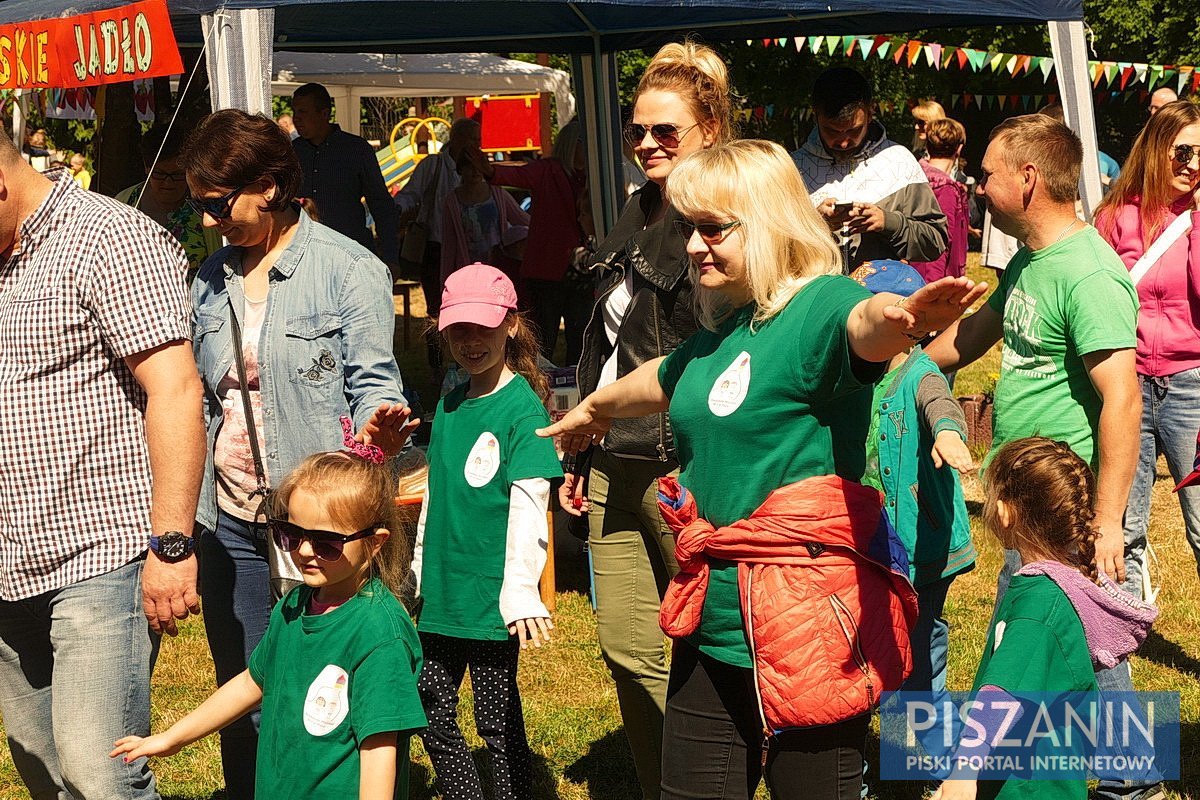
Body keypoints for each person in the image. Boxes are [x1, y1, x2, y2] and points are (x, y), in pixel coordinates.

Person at [543, 139, 985, 799]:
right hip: (711, 623)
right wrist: (595, 410)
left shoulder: (819, 306)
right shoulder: (723, 331)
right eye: (688, 227)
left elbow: (860, 327)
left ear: (769, 223)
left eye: (713, 229)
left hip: (808, 629)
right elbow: (665, 379)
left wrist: (900, 322)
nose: (693, 246)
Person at [182, 109, 417, 799]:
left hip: (315, 522)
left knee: (333, 690)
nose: (206, 222)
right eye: (198, 206)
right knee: (252, 686)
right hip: (230, 518)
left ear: (270, 185)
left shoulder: (349, 270)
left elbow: (376, 382)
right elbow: (199, 399)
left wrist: (380, 430)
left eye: (217, 205)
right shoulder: (209, 280)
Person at [923, 114, 1156, 800]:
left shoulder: (1088, 275)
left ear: (1028, 179)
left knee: (1081, 633)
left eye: (988, 173)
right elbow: (972, 336)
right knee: (1046, 635)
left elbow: (1124, 401)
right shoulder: (1030, 259)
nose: (978, 183)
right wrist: (894, 357)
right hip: (1023, 492)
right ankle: (1034, 769)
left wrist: (1108, 522)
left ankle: (1124, 782)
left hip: (1066, 501)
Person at [0, 129, 205, 798]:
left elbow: (175, 390)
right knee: (42, 766)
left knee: (99, 772)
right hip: (8, 562)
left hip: (98, 552)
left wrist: (172, 544)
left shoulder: (111, 239)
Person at [564, 40, 734, 800]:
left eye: (667, 132)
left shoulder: (723, 221)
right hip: (614, 460)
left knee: (721, 642)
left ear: (711, 129)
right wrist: (579, 442)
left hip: (686, 467)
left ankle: (724, 774)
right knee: (628, 646)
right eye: (638, 131)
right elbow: (606, 348)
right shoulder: (631, 213)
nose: (646, 145)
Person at [111, 450, 428, 799]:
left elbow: (379, 747)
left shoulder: (379, 633)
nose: (305, 551)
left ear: (373, 544)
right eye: (292, 533)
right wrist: (174, 738)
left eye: (327, 543)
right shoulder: (293, 605)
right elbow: (251, 683)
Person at [932, 437, 1157, 800]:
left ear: (1005, 513)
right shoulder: (1063, 585)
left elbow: (1002, 694)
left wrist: (963, 771)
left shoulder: (1039, 606)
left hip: (1024, 787)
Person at [413, 263, 563, 800]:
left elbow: (530, 503)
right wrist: (417, 566)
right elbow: (438, 493)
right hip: (443, 592)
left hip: (491, 596)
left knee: (496, 718)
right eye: (459, 330)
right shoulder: (451, 405)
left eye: (483, 327)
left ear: (512, 325)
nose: (471, 341)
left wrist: (521, 588)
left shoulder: (521, 409)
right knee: (429, 703)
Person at [853, 260, 976, 697]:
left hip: (924, 540)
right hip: (873, 541)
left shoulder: (920, 372)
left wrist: (948, 434)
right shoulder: (855, 377)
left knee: (919, 635)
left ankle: (921, 738)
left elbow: (940, 403)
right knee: (879, 628)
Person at [1095, 99, 1200, 593]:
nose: (1193, 165)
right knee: (1121, 526)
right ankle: (1119, 646)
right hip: (1126, 385)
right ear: (1157, 149)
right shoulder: (1115, 217)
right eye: (1183, 152)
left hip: (1192, 388)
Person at [794, 67, 948, 271]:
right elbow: (768, 246)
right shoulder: (793, 168)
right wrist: (814, 223)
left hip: (879, 298)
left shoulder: (899, 161)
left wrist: (889, 222)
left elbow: (935, 240)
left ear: (870, 112)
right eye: (831, 130)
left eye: (853, 130)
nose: (843, 142)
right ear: (816, 115)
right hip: (814, 297)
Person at [469, 117, 592, 365]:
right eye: (584, 142)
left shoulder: (593, 176)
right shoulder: (549, 169)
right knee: (542, 337)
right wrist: (491, 171)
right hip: (547, 270)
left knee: (580, 338)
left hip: (581, 269)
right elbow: (519, 175)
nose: (589, 148)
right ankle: (540, 385)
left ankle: (579, 386)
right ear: (571, 144)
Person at [395, 118, 481, 369]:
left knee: (468, 305)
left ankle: (464, 361)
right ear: (457, 139)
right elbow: (410, 193)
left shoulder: (479, 167)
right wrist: (398, 209)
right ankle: (436, 364)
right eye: (473, 139)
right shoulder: (433, 165)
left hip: (468, 249)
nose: (478, 145)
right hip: (436, 246)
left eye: (478, 140)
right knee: (436, 307)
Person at [291, 83, 399, 267]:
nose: (296, 119)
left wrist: (391, 258)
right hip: (304, 256)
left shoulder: (356, 150)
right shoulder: (290, 153)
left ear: (324, 114)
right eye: (295, 112)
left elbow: (380, 204)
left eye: (303, 112)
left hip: (350, 254)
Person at [118, 123, 222, 284]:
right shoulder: (124, 201)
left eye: (177, 175)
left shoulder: (203, 207)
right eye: (159, 173)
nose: (168, 182)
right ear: (147, 167)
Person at [439, 154, 529, 287]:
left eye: (479, 166)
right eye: (470, 167)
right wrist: (445, 283)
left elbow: (523, 220)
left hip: (498, 267)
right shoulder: (452, 201)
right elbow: (449, 245)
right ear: (460, 170)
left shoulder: (497, 192)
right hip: (468, 271)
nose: (475, 171)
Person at [913, 118, 970, 281]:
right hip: (935, 278)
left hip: (913, 274)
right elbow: (940, 244)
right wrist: (936, 286)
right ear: (959, 148)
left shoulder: (913, 177)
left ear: (928, 146)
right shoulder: (945, 188)